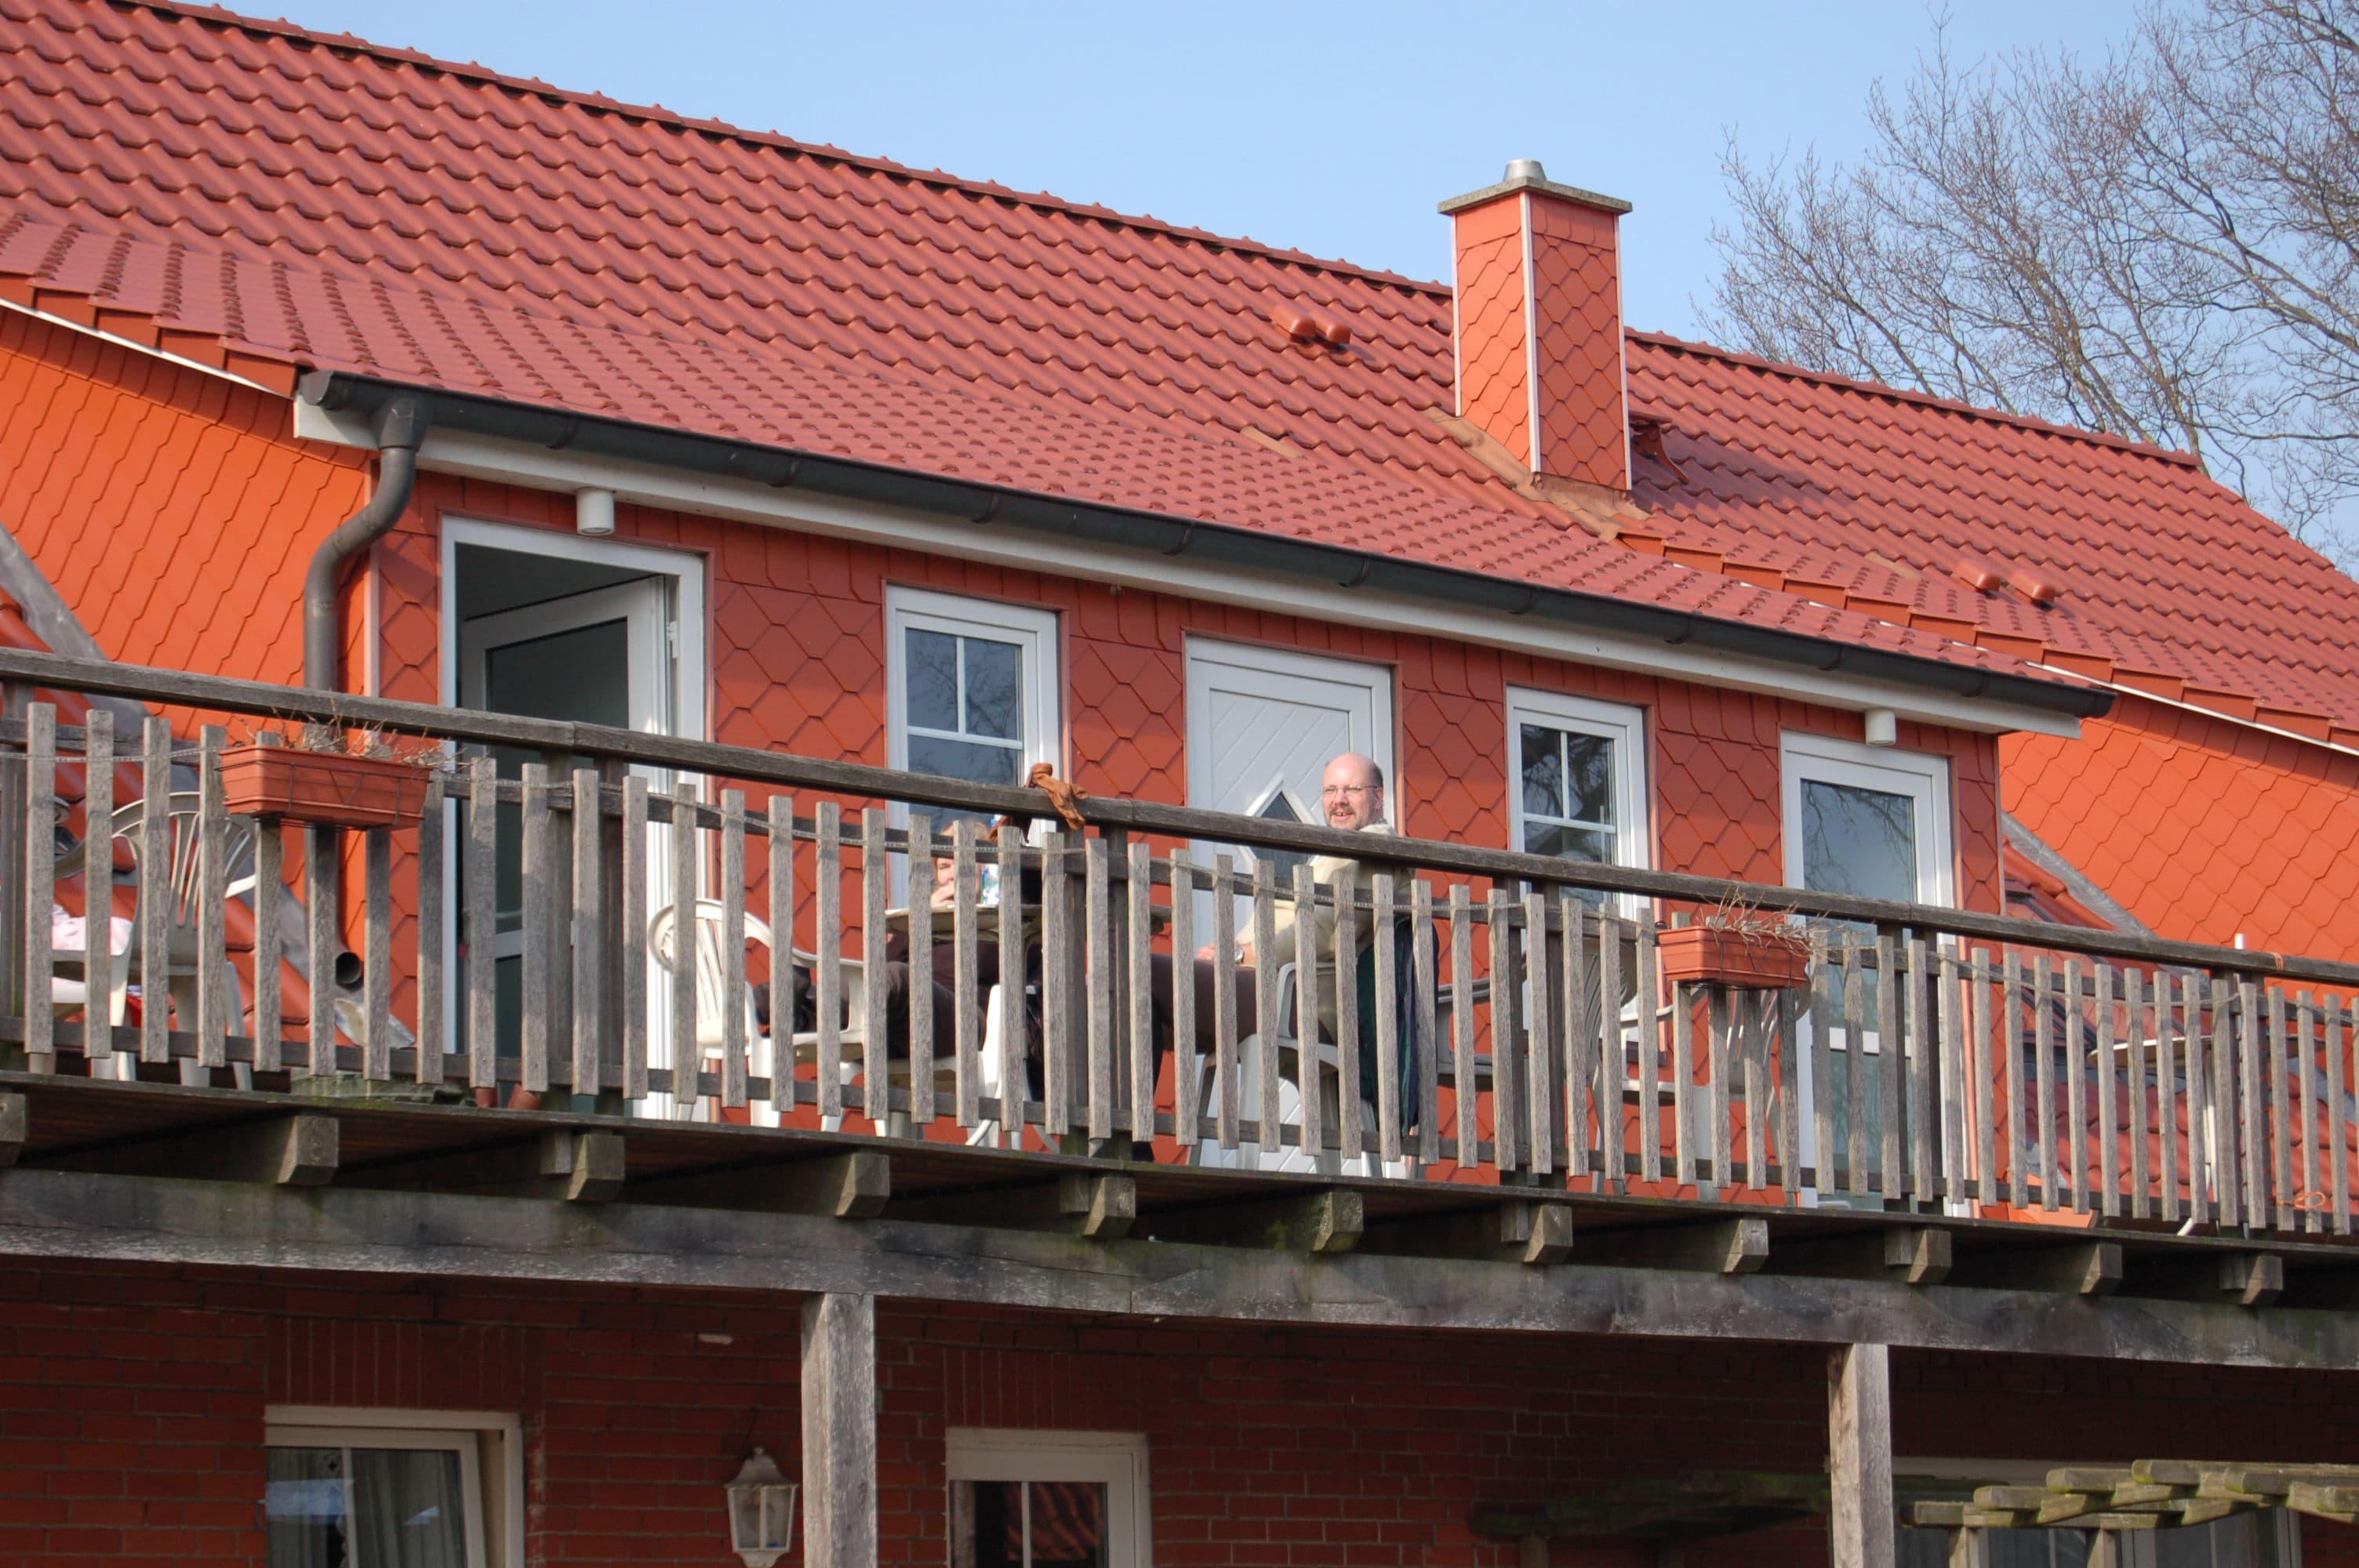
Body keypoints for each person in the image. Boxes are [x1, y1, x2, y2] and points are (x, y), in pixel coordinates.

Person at [1195, 752, 1419, 1130]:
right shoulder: (1336, 853)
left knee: (1147, 984)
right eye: (1331, 790)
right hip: (1272, 987)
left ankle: (1125, 1141)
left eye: (1352, 789)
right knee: (1150, 996)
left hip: (1301, 1002)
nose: (1339, 800)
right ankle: (1131, 1141)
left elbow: (1324, 930)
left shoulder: (1375, 849)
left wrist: (1237, 954)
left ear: (1378, 798)